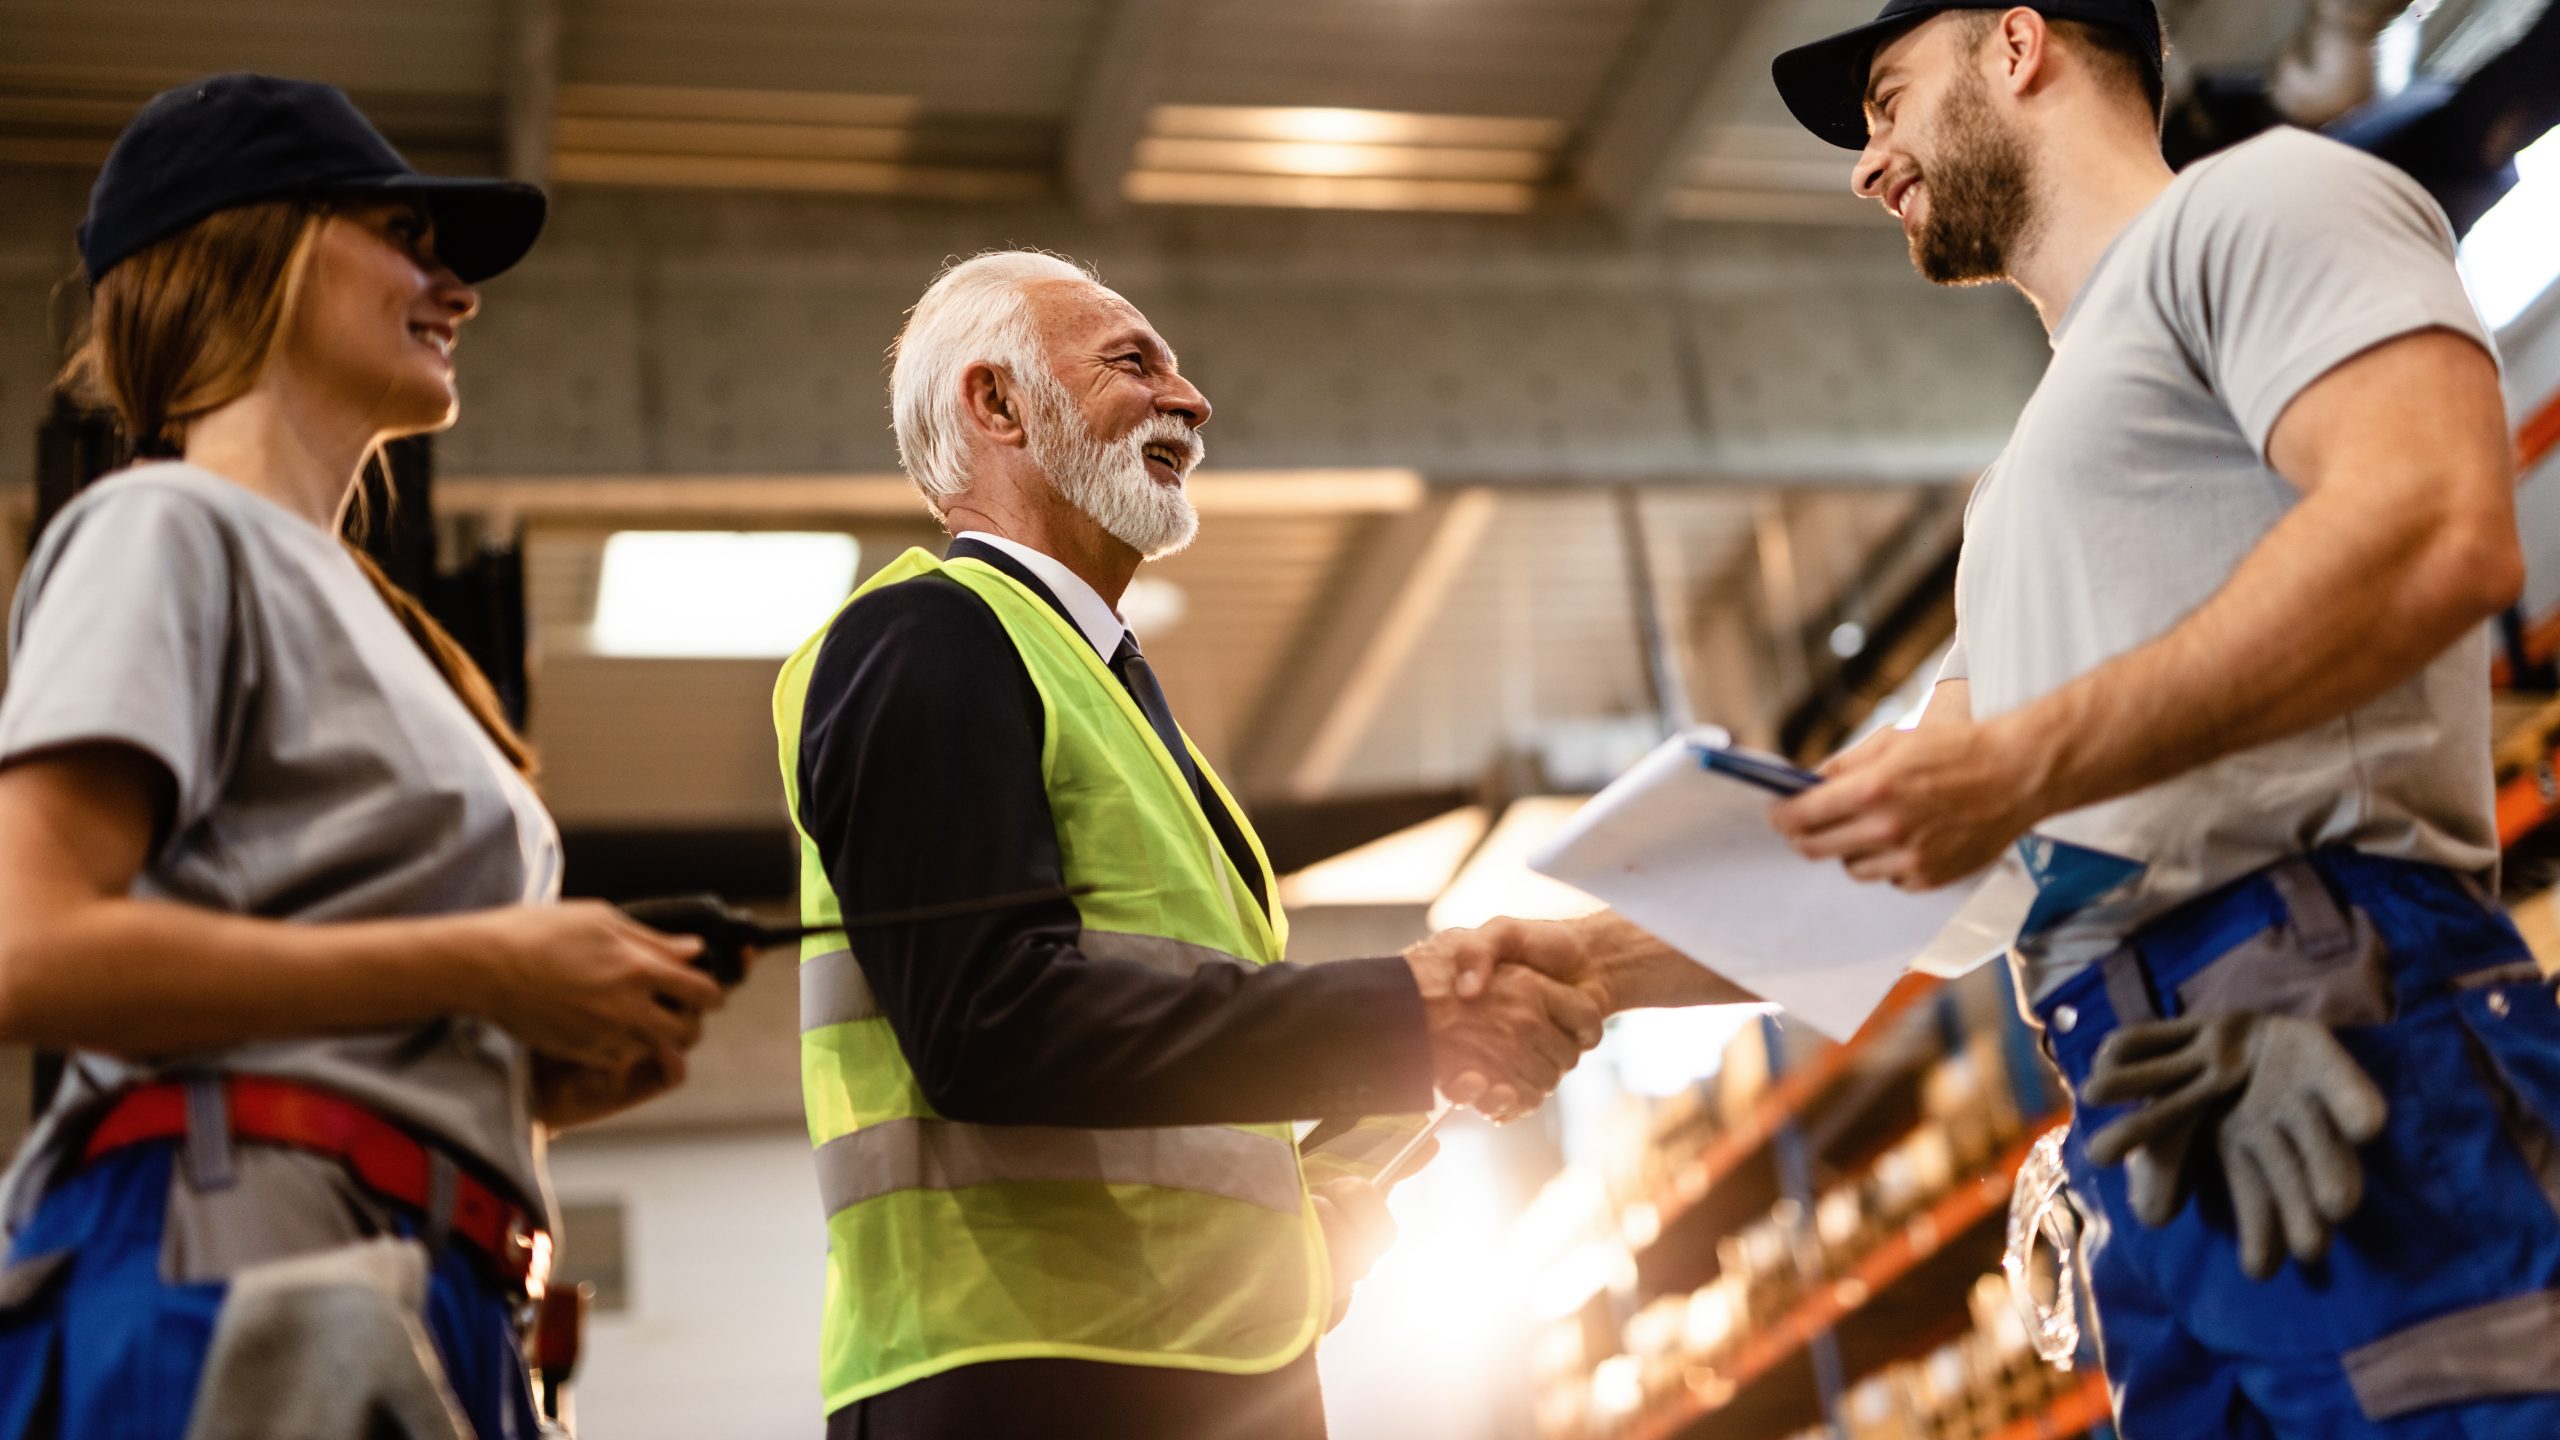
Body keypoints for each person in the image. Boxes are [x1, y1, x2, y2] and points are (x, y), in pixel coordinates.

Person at [1449, 2, 2560, 1434]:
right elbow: (1935, 845)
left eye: (1888, 101)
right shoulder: (2018, 495)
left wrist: (2020, 764)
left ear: (2019, 45)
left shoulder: (2267, 202)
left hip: (2337, 1025)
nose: (1872, 165)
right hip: (2151, 1114)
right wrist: (1588, 962)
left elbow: (2429, 526)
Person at [0, 74, 729, 1438]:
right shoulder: (165, 528)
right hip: (241, 1248)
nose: (455, 290)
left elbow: (325, 987)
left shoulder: (384, 627)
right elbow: (29, 949)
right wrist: (486, 966)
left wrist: (535, 1071)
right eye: (407, 235)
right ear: (252, 243)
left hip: (424, 1274)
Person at [773, 250, 1605, 1440]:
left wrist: (1323, 1195)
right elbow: (988, 1025)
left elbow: (1166, 1072)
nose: (1192, 400)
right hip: (1021, 1380)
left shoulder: (1109, 694)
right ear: (997, 404)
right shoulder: (924, 638)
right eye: (1133, 363)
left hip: (1200, 1372)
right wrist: (1401, 1014)